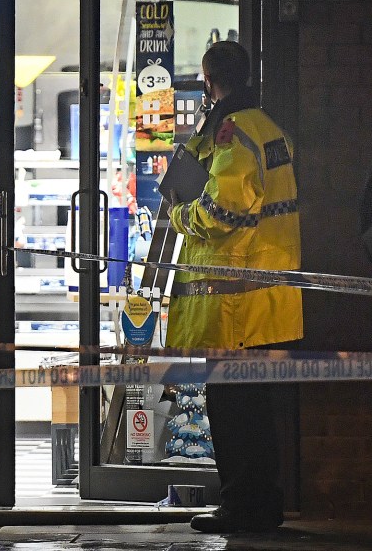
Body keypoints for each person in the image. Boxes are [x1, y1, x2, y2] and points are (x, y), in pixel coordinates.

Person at [167, 40, 302, 534]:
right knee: (258, 413)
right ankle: (260, 506)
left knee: (233, 414)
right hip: (267, 301)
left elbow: (224, 211)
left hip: (233, 308)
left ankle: (241, 508)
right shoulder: (270, 129)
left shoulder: (232, 133)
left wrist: (181, 214)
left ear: (208, 79)